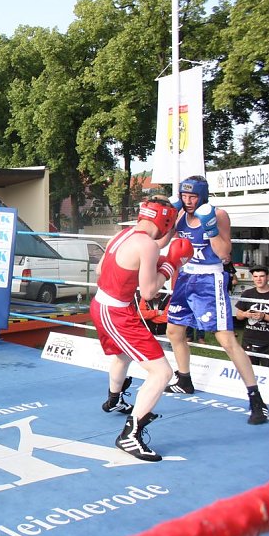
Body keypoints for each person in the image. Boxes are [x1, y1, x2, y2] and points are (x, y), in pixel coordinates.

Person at [91, 197, 190, 461]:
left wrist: (165, 244)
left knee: (122, 355)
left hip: (100, 303)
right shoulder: (147, 245)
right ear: (165, 221)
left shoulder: (123, 234)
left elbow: (101, 268)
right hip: (117, 312)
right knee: (162, 372)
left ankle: (114, 399)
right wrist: (170, 265)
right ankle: (131, 436)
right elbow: (148, 291)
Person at [165, 176, 268, 425]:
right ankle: (184, 380)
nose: (188, 202)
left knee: (226, 339)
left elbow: (223, 253)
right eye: (184, 196)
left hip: (209, 280)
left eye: (193, 197)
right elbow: (164, 240)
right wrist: (169, 217)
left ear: (203, 196)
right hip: (186, 276)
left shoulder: (219, 214)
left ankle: (256, 400)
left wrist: (209, 226)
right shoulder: (180, 213)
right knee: (174, 332)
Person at [234, 265, 269, 367]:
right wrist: (246, 314)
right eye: (255, 276)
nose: (258, 279)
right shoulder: (247, 294)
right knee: (249, 371)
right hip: (249, 340)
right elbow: (238, 315)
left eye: (262, 276)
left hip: (268, 342)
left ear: (268, 277)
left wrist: (263, 316)